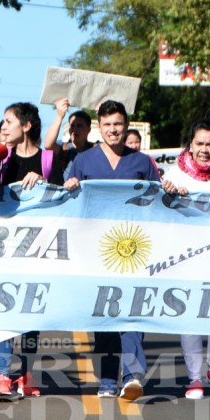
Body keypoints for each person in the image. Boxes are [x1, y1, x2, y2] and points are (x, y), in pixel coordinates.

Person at [64, 100, 161, 399]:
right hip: (97, 248)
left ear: (126, 124)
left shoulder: (142, 162)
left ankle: (132, 375)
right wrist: (68, 186)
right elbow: (66, 198)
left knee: (131, 311)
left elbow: (158, 200)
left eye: (117, 124)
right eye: (107, 125)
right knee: (105, 313)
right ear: (99, 126)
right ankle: (107, 380)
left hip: (134, 247)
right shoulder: (83, 160)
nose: (113, 130)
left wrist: (171, 189)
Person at [160, 119, 210, 399]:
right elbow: (160, 212)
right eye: (200, 143)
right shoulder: (174, 174)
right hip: (186, 258)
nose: (205, 149)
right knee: (191, 316)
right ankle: (194, 377)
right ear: (190, 144)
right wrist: (170, 195)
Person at [0, 102, 66, 402]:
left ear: (27, 126)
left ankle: (27, 373)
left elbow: (62, 200)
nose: (4, 126)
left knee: (31, 314)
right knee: (3, 310)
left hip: (37, 249)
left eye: (9, 121)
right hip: (3, 248)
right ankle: (3, 376)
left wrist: (45, 183)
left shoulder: (48, 160)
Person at [45, 98, 95, 170]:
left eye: (79, 126)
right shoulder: (64, 148)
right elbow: (48, 145)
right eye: (72, 126)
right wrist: (59, 116)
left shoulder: (95, 149)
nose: (74, 129)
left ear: (88, 129)